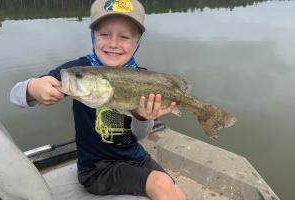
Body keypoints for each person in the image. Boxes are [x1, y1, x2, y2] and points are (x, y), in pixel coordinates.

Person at [10, 0, 186, 199]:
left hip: (135, 156)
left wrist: (142, 118)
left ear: (136, 41)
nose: (113, 43)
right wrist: (32, 88)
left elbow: (139, 135)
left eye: (125, 37)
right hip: (97, 168)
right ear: (93, 35)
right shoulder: (78, 72)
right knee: (161, 184)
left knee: (177, 192)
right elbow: (15, 96)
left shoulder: (141, 79)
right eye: (104, 34)